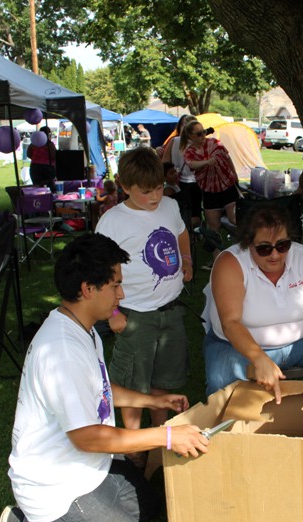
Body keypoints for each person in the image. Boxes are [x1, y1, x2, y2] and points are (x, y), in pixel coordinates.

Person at [3, 233, 208, 522]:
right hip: (57, 491)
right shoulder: (62, 351)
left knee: (151, 504)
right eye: (115, 286)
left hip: (91, 469)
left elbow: (100, 391)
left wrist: (154, 401)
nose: (121, 295)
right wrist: (166, 436)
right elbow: (88, 438)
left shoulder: (82, 327)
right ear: (88, 289)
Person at [95, 147, 193, 467]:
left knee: (164, 377)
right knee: (133, 382)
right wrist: (112, 313)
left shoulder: (170, 206)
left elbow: (181, 233)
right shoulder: (112, 221)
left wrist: (188, 259)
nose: (155, 197)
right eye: (146, 191)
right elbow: (99, 270)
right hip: (134, 312)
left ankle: (161, 433)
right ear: (124, 186)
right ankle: (134, 447)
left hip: (171, 308)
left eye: (159, 188)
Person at [203, 204, 303, 402]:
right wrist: (259, 358)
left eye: (283, 245)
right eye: (264, 248)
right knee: (221, 387)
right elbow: (230, 323)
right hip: (237, 348)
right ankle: (229, 431)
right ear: (248, 243)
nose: (275, 255)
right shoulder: (231, 263)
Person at [181, 120, 239, 263]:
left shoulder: (215, 143)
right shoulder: (189, 152)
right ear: (190, 136)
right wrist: (206, 162)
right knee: (213, 228)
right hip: (209, 191)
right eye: (199, 134)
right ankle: (217, 262)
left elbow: (227, 157)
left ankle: (243, 248)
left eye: (204, 132)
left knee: (235, 218)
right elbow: (191, 164)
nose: (203, 136)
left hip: (227, 186)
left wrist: (234, 173)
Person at [162, 114, 202, 229]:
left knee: (180, 212)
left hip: (179, 182)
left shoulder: (174, 141)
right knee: (194, 213)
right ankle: (192, 234)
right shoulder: (200, 142)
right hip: (193, 182)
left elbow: (165, 163)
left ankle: (185, 232)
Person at [27, 126, 57, 191]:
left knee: (37, 188)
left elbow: (28, 154)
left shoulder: (33, 144)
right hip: (48, 168)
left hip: (35, 167)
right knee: (50, 187)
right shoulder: (50, 144)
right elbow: (54, 156)